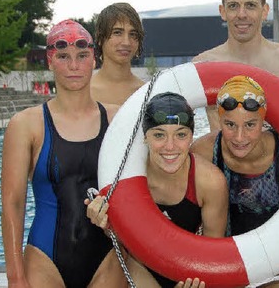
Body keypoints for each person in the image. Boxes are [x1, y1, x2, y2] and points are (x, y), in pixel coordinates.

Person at [1, 19, 122, 287]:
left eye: (82, 56)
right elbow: (13, 204)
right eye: (63, 56)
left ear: (94, 60)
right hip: (45, 260)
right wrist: (15, 277)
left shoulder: (118, 119)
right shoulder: (26, 125)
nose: (74, 65)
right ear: (50, 61)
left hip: (107, 258)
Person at [87, 92, 228, 288]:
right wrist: (105, 222)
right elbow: (122, 242)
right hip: (139, 265)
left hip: (188, 272)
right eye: (159, 135)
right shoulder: (126, 175)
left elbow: (213, 256)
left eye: (180, 134)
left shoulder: (210, 182)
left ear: (191, 136)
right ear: (145, 137)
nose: (170, 147)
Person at [190, 75, 279, 286]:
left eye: (250, 124)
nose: (239, 137)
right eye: (230, 124)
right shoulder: (203, 152)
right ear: (219, 119)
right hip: (226, 262)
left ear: (264, 120)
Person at [192, 0, 279, 131]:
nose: (242, 14)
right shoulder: (202, 65)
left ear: (264, 10)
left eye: (250, 5)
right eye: (233, 6)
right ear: (222, 11)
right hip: (222, 155)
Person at [91, 2, 146, 105]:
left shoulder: (147, 92)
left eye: (133, 34)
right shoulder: (83, 92)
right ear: (100, 38)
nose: (126, 42)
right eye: (117, 32)